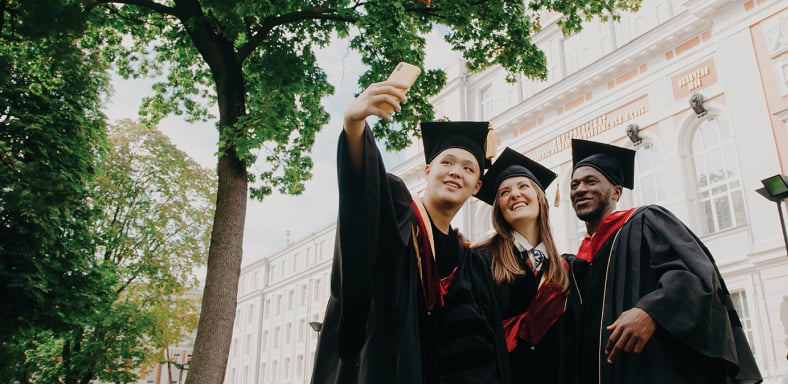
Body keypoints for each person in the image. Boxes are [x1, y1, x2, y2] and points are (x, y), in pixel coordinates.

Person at [310, 78, 510, 384]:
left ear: (477, 187)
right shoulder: (397, 209)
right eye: (447, 162)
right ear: (428, 170)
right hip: (376, 369)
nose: (456, 171)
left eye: (469, 169)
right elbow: (364, 194)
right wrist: (354, 126)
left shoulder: (468, 264)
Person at [566, 138, 762, 383]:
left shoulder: (645, 221)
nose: (580, 189)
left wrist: (651, 311)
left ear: (616, 191)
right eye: (574, 185)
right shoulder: (579, 264)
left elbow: (694, 274)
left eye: (590, 181)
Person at [473, 147, 570, 384]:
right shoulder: (481, 260)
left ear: (540, 197)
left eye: (523, 186)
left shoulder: (565, 270)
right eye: (504, 191)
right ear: (499, 209)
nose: (514, 194)